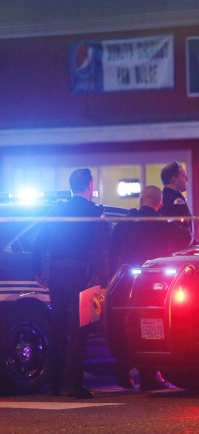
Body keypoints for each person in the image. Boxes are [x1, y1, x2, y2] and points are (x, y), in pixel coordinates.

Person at [34, 168, 110, 398]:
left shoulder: (56, 210)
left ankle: (54, 383)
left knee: (57, 327)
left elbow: (40, 241)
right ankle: (75, 385)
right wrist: (101, 278)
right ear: (89, 185)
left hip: (57, 273)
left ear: (70, 186)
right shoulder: (95, 213)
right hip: (84, 276)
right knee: (80, 330)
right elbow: (101, 249)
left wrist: (38, 270)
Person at [109, 185, 191, 391]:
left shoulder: (125, 223)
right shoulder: (160, 223)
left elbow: (112, 249)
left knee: (123, 326)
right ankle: (148, 376)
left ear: (140, 199)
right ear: (160, 203)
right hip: (152, 283)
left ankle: (122, 371)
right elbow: (185, 238)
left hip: (126, 282)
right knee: (150, 327)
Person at [158, 161, 198, 249]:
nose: (187, 179)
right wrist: (193, 245)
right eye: (183, 175)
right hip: (180, 250)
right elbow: (180, 231)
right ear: (174, 179)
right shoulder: (175, 200)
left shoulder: (163, 198)